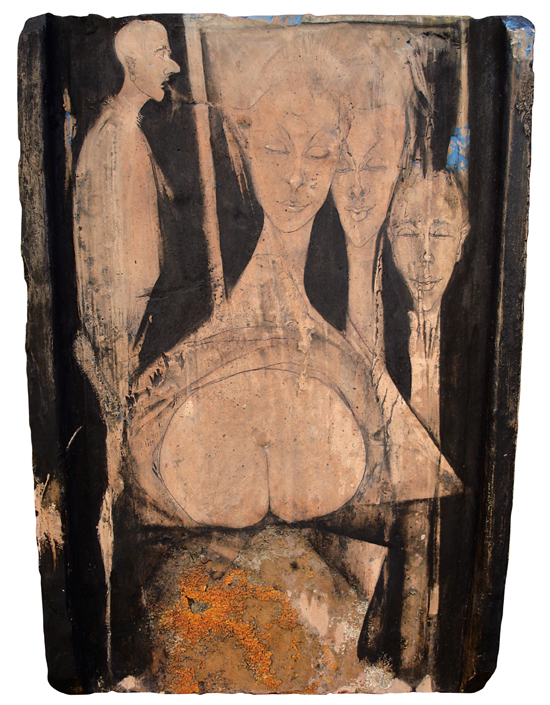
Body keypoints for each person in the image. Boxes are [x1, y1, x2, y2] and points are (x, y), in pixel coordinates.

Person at [73, 19, 180, 404]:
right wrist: (122, 369)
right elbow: (114, 273)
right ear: (131, 66)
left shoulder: (128, 132)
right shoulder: (114, 139)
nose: (173, 66)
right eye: (161, 54)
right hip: (122, 353)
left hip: (132, 348)